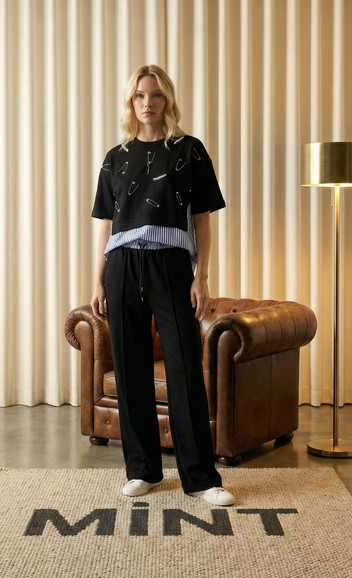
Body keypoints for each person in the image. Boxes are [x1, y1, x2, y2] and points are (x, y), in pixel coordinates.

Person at [90, 64, 234, 506]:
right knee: (130, 367)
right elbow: (107, 224)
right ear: (130, 102)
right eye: (139, 95)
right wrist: (97, 279)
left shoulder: (189, 150)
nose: (147, 103)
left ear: (167, 99)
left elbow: (202, 218)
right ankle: (143, 470)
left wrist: (202, 275)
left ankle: (201, 478)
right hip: (122, 266)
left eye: (155, 95)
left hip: (171, 265)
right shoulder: (115, 157)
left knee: (185, 366)